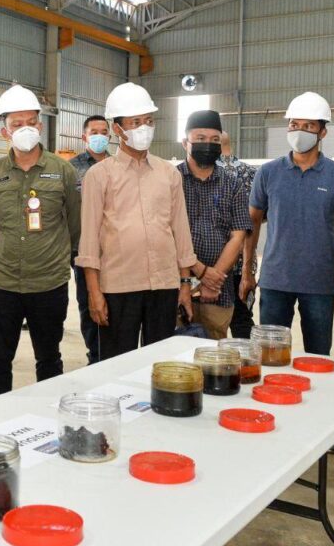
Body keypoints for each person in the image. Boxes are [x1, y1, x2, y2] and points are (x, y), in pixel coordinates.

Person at [76, 82, 197, 360]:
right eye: (135, 122)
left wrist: (185, 284)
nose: (144, 128)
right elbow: (89, 241)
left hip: (164, 286)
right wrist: (94, 292)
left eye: (149, 121)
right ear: (117, 129)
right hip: (118, 287)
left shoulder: (169, 174)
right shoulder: (99, 176)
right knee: (117, 364)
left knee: (160, 364)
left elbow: (180, 232)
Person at [243, 91, 334, 355]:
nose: (300, 131)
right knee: (270, 356)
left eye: (309, 126)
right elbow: (251, 223)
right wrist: (247, 273)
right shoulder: (268, 173)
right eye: (294, 124)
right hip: (275, 281)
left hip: (320, 283)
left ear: (323, 132)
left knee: (318, 357)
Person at [0, 84, 80, 398]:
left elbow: (74, 223)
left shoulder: (63, 171)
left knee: (49, 358)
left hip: (48, 284)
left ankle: (48, 416)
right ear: (4, 132)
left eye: (31, 122)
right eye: (17, 124)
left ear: (41, 126)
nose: (25, 129)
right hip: (2, 283)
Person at [177, 110, 251, 339]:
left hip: (218, 290)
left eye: (214, 140)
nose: (208, 144)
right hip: (176, 286)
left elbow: (238, 236)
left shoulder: (233, 184)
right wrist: (200, 270)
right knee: (172, 351)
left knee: (214, 352)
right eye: (200, 138)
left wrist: (212, 279)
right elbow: (165, 233)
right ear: (185, 142)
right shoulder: (171, 180)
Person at [68, 114, 109, 364]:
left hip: (114, 251)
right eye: (94, 132)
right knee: (89, 304)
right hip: (83, 249)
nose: (99, 136)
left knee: (115, 305)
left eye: (104, 132)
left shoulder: (117, 166)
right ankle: (95, 355)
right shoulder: (70, 168)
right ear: (84, 136)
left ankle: (112, 355)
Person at [217, 131, 259, 338]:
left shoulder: (204, 172)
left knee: (207, 322)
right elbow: (258, 218)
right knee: (242, 320)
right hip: (242, 263)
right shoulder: (252, 173)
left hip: (209, 264)